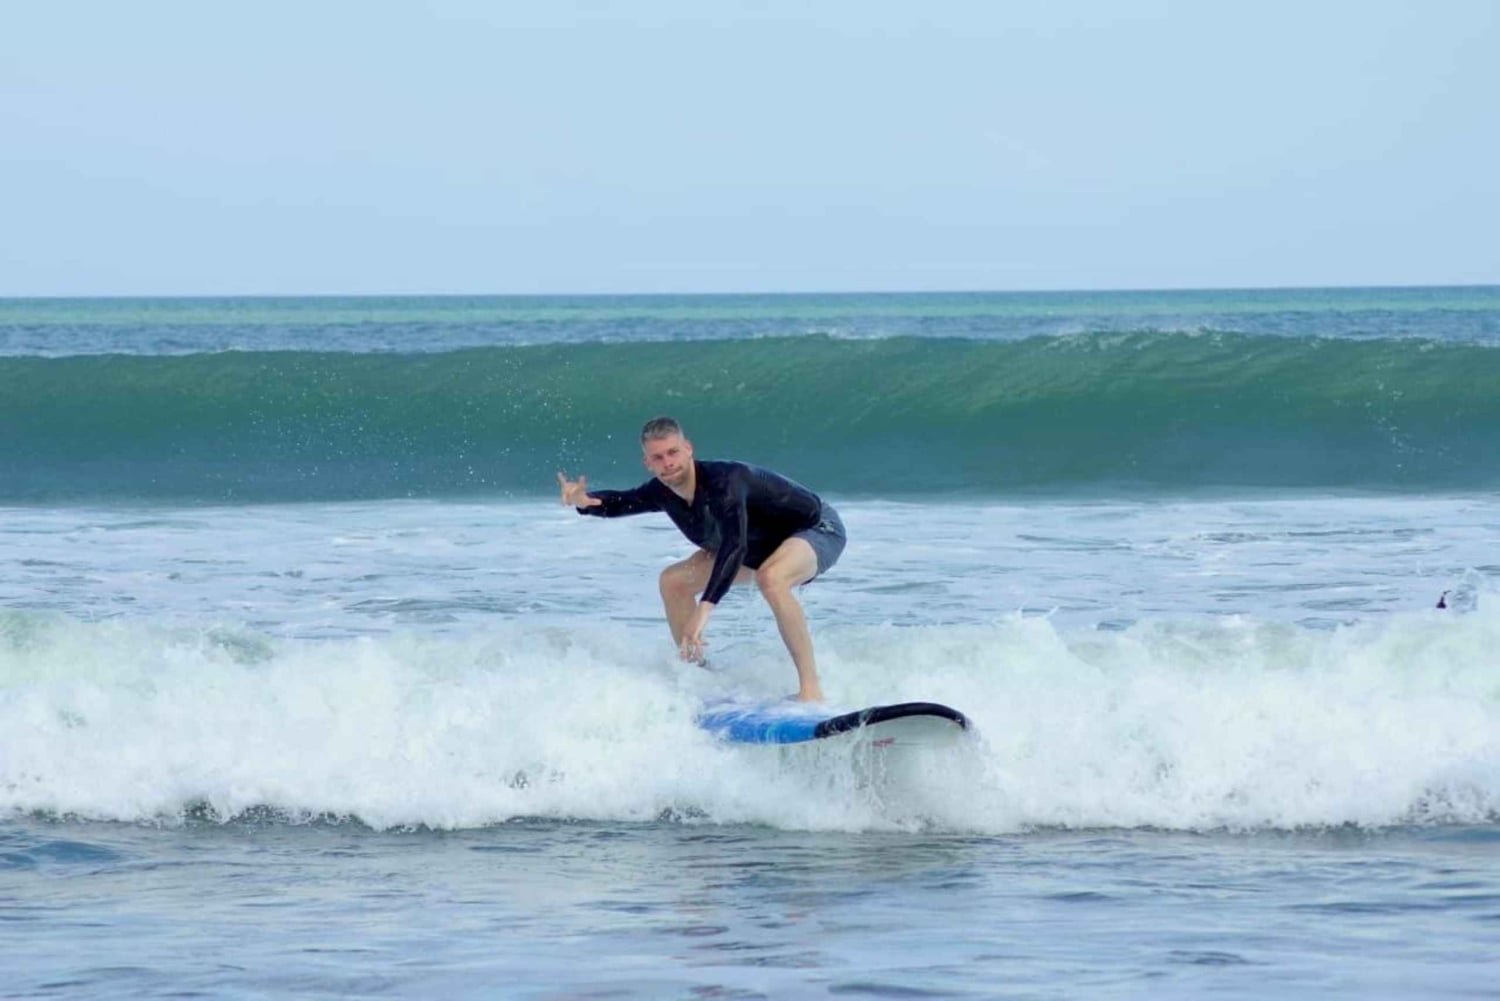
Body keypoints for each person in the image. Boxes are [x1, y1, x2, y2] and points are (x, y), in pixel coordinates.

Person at [557, 416, 846, 702]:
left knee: (772, 579)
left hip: (815, 529)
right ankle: (701, 681)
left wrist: (703, 612)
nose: (668, 462)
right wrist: (585, 502)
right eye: (658, 457)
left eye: (673, 452)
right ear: (648, 463)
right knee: (673, 582)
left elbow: (735, 545)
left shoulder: (726, 482)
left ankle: (811, 691)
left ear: (688, 449)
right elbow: (622, 501)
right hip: (760, 547)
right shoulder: (662, 491)